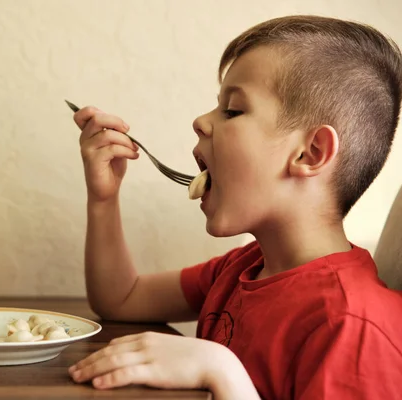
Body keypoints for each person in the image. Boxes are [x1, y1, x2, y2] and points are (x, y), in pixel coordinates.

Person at [67, 15, 402, 399]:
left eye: (232, 110)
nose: (200, 122)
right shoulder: (241, 269)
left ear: (311, 153)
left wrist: (222, 371)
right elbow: (120, 299)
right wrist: (104, 199)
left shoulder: (354, 326)